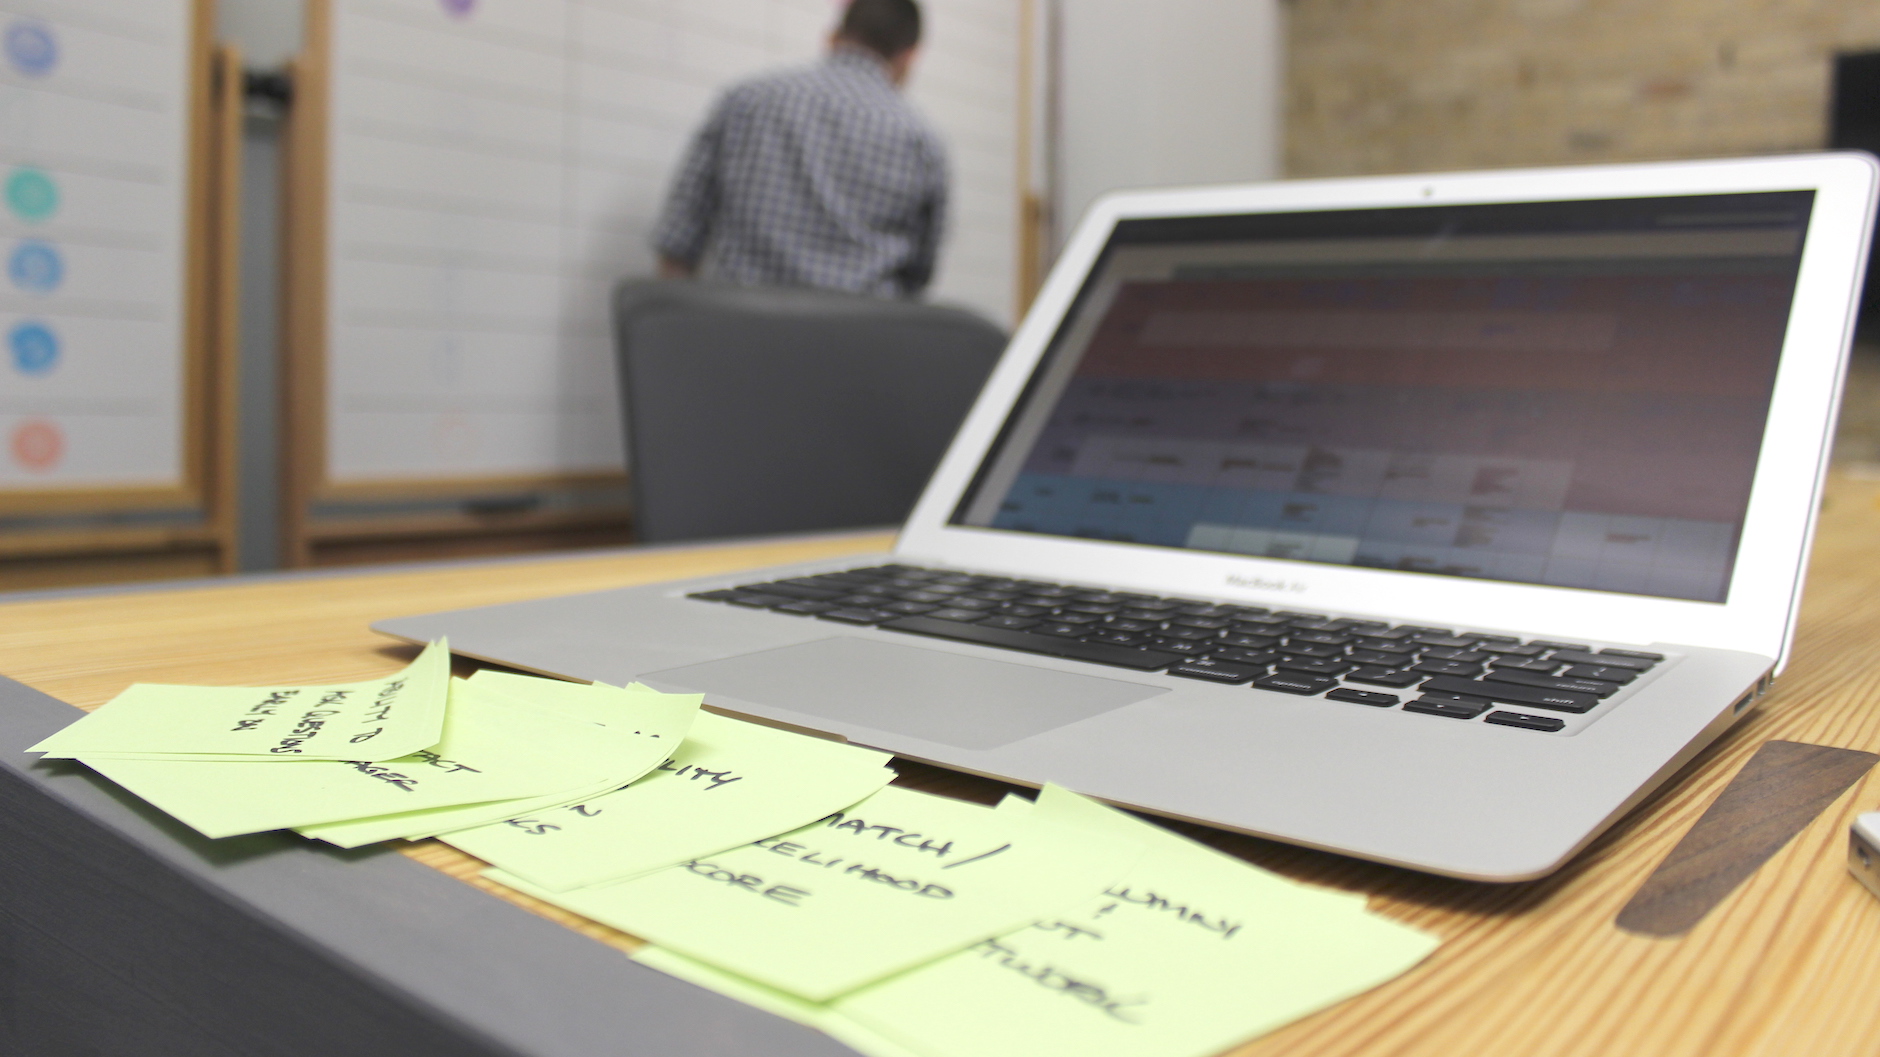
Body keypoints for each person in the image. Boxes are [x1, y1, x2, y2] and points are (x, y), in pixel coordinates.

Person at [651, 0, 947, 299]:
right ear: (908, 56)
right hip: (862, 340)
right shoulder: (921, 142)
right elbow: (917, 277)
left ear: (833, 37)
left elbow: (677, 243)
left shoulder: (747, 101)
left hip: (739, 333)